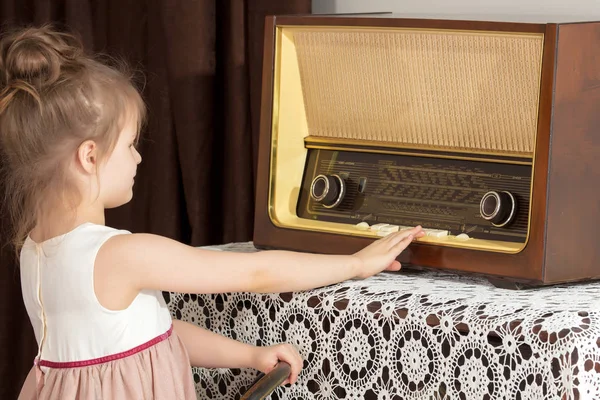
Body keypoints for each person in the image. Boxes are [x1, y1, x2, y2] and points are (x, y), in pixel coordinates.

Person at [0, 25, 424, 400]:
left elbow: (148, 335)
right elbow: (255, 274)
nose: (138, 159)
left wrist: (250, 356)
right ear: (89, 157)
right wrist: (355, 262)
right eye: (130, 144)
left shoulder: (34, 251)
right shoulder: (120, 255)